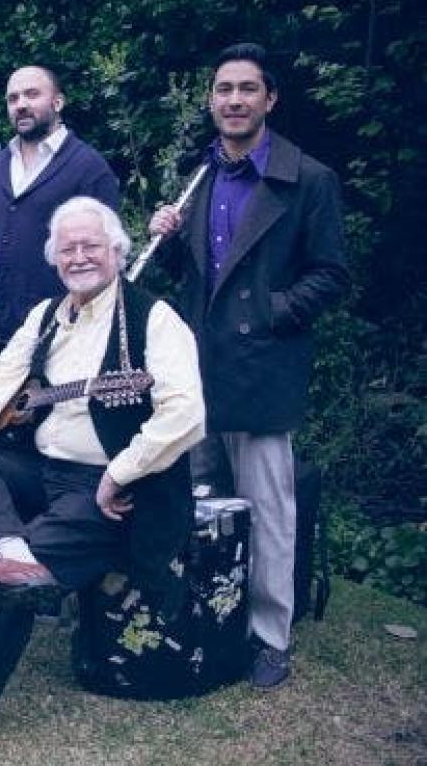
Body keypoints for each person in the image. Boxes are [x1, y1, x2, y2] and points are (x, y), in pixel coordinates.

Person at [0, 196, 204, 741]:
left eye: (91, 246)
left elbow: (187, 413)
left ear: (117, 252)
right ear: (54, 258)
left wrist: (122, 470)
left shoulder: (154, 318)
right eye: (67, 249)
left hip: (113, 492)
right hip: (46, 471)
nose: (79, 257)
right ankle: (15, 554)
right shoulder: (48, 316)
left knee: (7, 590)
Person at [148, 43, 349, 690]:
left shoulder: (308, 179)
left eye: (247, 89)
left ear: (270, 99)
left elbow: (331, 274)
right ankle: (211, 615)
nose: (234, 100)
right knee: (201, 501)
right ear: (211, 100)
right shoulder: (201, 176)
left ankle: (269, 636)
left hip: (262, 367)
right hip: (199, 370)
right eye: (223, 89)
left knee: (268, 509)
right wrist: (168, 240)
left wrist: (272, 311)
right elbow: (195, 280)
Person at [0, 65, 120, 354]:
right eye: (13, 98)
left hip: (60, 337)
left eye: (32, 94)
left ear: (58, 102)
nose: (21, 105)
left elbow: (107, 258)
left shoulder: (88, 168)